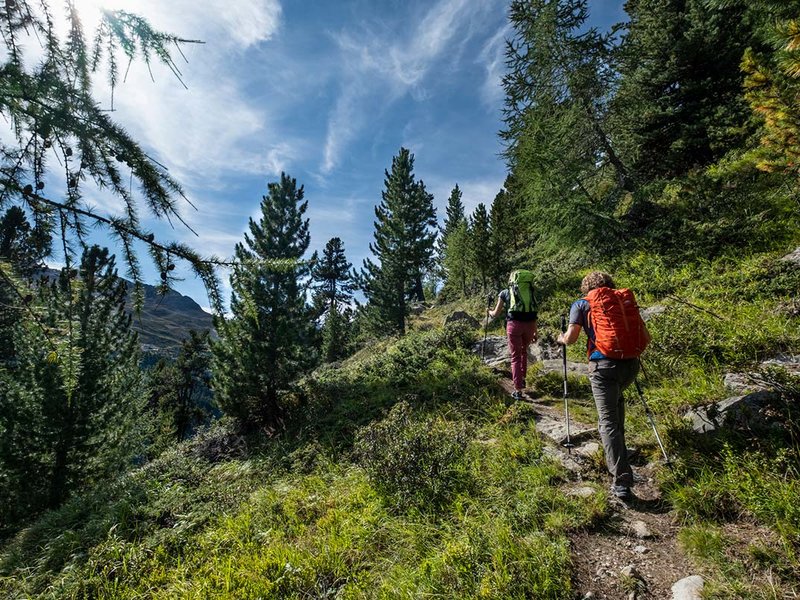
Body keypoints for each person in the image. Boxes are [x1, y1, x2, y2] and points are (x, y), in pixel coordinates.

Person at [556, 271, 651, 500]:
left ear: (586, 287)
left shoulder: (582, 304)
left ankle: (622, 480)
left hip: (603, 367)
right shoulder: (621, 300)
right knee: (616, 409)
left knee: (607, 422)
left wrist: (560, 338)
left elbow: (571, 338)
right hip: (630, 365)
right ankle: (620, 454)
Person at [488, 272, 538, 400]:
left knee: (515, 357)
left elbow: (496, 313)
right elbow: (533, 310)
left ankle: (518, 390)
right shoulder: (530, 291)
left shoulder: (504, 293)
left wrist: (489, 311)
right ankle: (523, 380)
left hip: (514, 325)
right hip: (530, 324)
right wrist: (535, 331)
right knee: (523, 352)